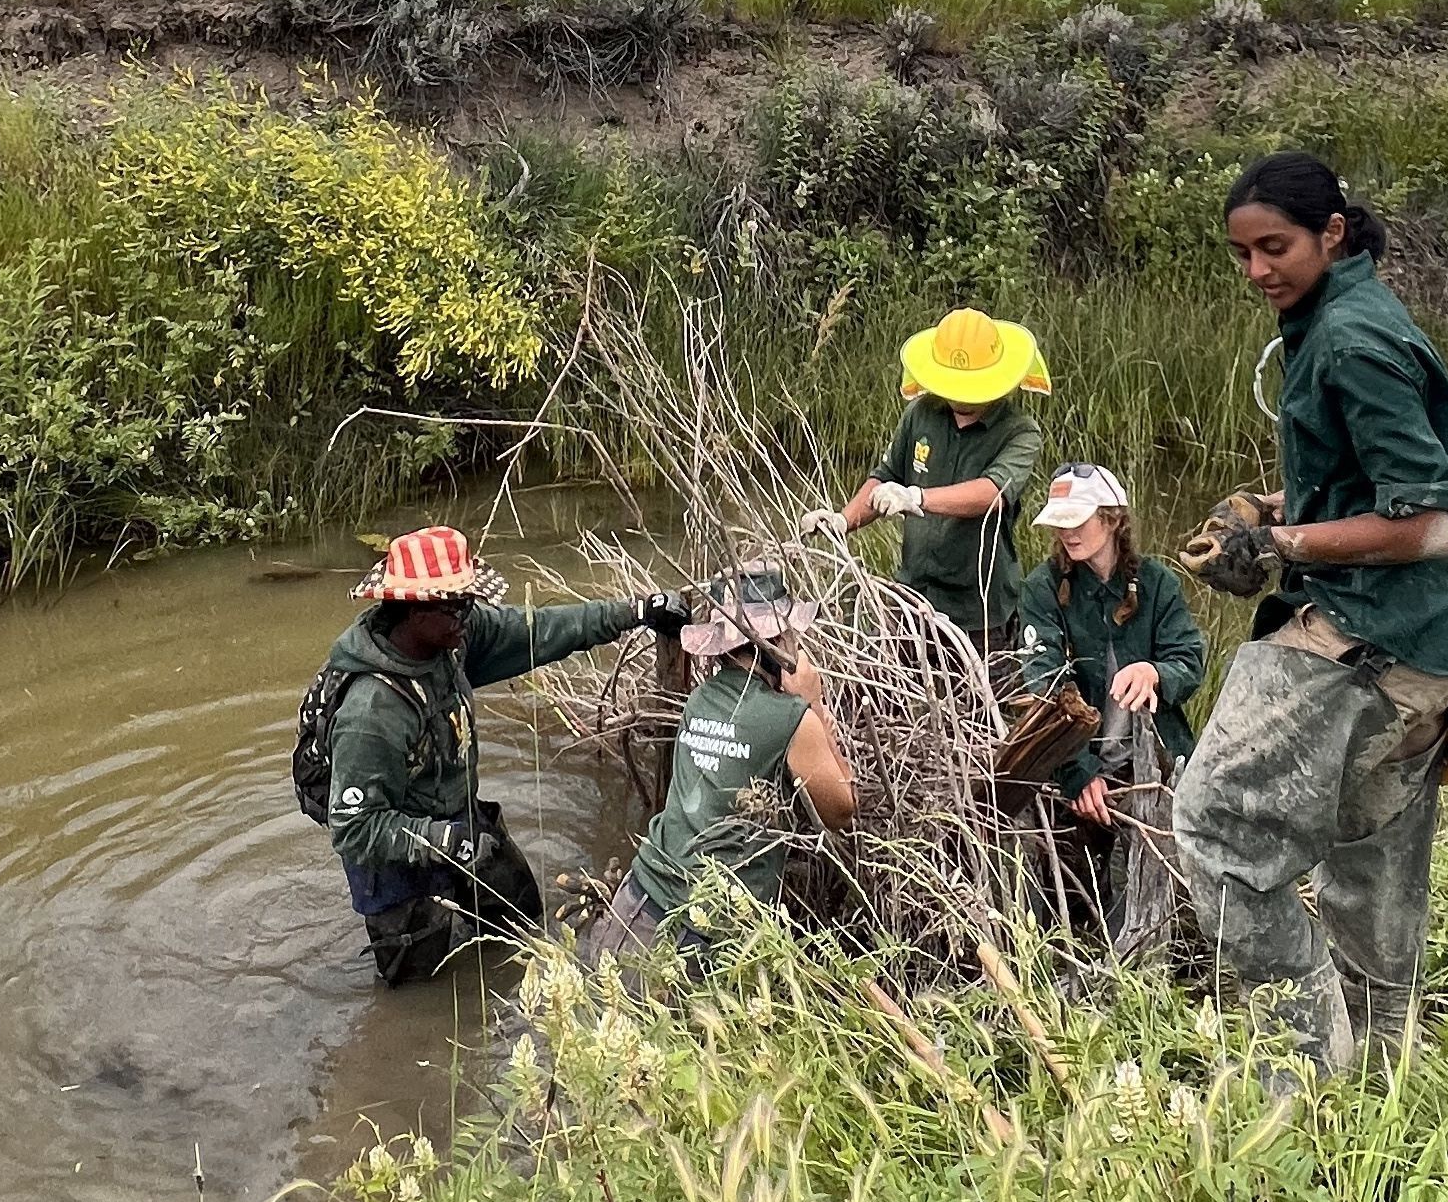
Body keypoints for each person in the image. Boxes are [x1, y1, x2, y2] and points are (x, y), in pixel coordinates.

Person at [1171, 151, 1448, 1074]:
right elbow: (1376, 481)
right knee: (1370, 857)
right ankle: (1380, 1083)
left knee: (1217, 828)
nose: (1257, 270)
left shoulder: (1351, 341)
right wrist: (1275, 509)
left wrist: (1283, 549)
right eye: (1242, 254)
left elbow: (1427, 522)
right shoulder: (1342, 318)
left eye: (1275, 248)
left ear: (1333, 234)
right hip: (1441, 643)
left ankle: (1305, 1067)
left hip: (1377, 634)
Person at [317, 526, 684, 986]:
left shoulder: (452, 637)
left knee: (521, 922)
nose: (468, 614)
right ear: (413, 610)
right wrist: (445, 843)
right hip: (397, 861)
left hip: (460, 819)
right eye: (457, 605)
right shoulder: (371, 712)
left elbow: (543, 630)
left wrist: (637, 611)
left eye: (469, 601)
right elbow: (353, 827)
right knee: (420, 989)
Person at [582, 568, 858, 966]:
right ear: (777, 641)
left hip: (635, 898)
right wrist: (813, 703)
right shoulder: (792, 719)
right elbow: (842, 810)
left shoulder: (699, 699)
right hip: (699, 929)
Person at [1015, 465, 1208, 920]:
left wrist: (1155, 672)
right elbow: (1042, 683)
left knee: (1163, 896)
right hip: (1071, 766)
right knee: (1071, 900)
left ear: (1113, 518)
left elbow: (1190, 661)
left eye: (1077, 520)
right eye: (1059, 522)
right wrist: (1077, 772)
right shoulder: (1042, 588)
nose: (1067, 532)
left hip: (1152, 765)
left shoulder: (1159, 584)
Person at [830, 305, 1050, 672]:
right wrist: (843, 521)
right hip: (913, 599)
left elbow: (991, 494)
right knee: (892, 705)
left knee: (977, 719)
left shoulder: (1019, 431)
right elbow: (886, 474)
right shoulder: (921, 414)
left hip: (979, 613)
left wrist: (917, 497)